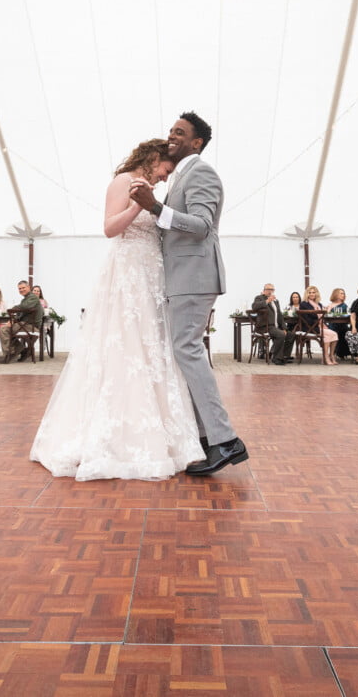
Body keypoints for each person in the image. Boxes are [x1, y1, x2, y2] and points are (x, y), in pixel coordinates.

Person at [31, 138, 204, 479]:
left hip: (153, 274)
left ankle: (167, 436)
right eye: (165, 170)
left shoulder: (155, 190)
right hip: (127, 272)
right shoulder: (123, 182)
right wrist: (139, 206)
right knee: (124, 344)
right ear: (153, 159)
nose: (165, 178)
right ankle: (114, 437)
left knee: (153, 347)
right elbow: (110, 228)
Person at [130, 112, 244, 476]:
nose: (171, 136)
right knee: (184, 354)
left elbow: (201, 225)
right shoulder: (178, 177)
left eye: (180, 133)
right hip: (180, 281)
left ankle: (225, 440)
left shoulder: (202, 173)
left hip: (195, 277)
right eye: (170, 131)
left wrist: (155, 208)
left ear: (197, 142)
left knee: (188, 351)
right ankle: (207, 437)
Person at [0, 280, 43, 363]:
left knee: (4, 329)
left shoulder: (33, 297)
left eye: (23, 288)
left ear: (29, 287)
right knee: (7, 329)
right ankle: (21, 350)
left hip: (31, 327)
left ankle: (10, 354)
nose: (21, 290)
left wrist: (13, 308)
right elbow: (21, 314)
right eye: (19, 289)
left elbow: (24, 307)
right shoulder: (26, 299)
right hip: (24, 326)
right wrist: (13, 321)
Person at [251, 282, 294, 365]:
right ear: (264, 290)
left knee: (290, 335)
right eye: (268, 289)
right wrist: (267, 301)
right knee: (281, 335)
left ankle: (284, 356)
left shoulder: (276, 301)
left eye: (272, 289)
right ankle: (276, 358)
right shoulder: (259, 298)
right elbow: (254, 306)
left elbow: (280, 315)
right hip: (265, 326)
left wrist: (284, 328)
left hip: (276, 326)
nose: (270, 291)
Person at [298, 285, 338, 365]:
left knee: (335, 334)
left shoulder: (319, 304)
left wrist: (322, 322)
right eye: (310, 292)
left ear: (316, 294)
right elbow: (307, 319)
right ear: (307, 294)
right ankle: (325, 357)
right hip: (309, 327)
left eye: (314, 292)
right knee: (328, 335)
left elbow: (322, 316)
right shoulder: (304, 304)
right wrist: (318, 322)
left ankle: (331, 355)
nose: (312, 294)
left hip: (319, 326)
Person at [327, 287, 351, 359]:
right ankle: (332, 352)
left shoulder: (344, 305)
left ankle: (341, 352)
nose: (343, 295)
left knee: (343, 330)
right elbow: (327, 315)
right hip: (332, 325)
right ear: (336, 294)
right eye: (341, 293)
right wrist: (328, 309)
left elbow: (348, 314)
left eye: (343, 293)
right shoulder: (330, 305)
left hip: (342, 325)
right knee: (332, 329)